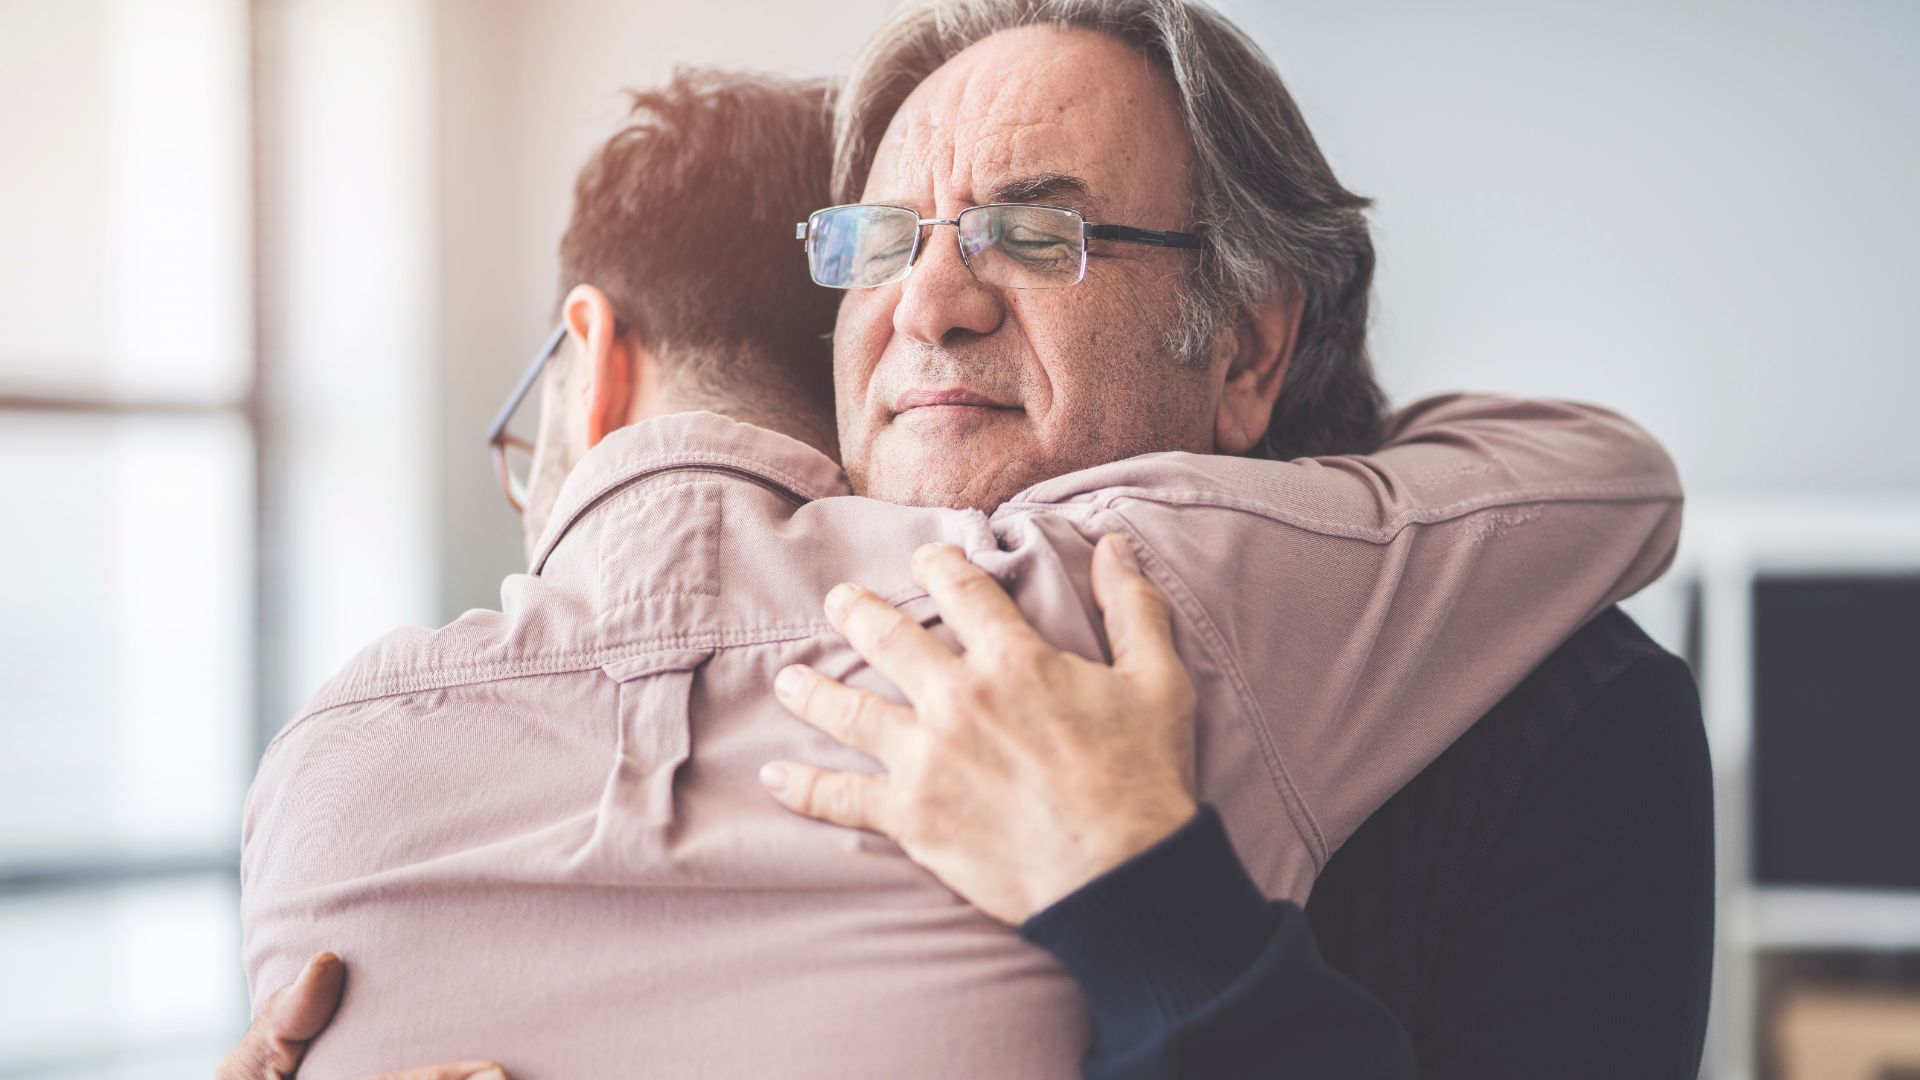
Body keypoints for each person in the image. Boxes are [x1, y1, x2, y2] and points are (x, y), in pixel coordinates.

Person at [221, 11, 1706, 1077]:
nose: (929, 302)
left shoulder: (1563, 709)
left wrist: (1141, 892)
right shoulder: (599, 695)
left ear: (1248, 355)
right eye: (878, 243)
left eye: (1034, 233)